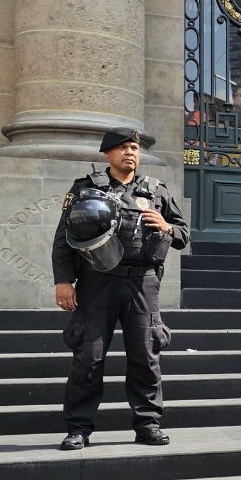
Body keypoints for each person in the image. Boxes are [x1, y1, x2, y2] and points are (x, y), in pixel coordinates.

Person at [52, 127, 190, 451]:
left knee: (145, 354)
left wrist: (168, 226)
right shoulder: (85, 189)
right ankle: (78, 428)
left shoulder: (156, 191)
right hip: (97, 281)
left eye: (134, 148)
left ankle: (148, 424)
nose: (131, 153)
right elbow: (64, 239)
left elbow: (184, 234)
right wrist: (63, 281)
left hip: (142, 283)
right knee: (89, 355)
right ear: (108, 154)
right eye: (123, 148)